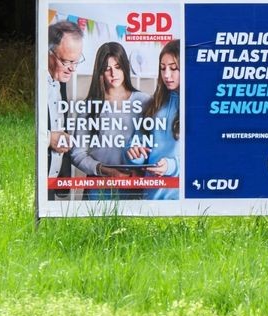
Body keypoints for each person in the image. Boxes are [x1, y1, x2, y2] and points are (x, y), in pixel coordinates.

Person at [68, 42, 151, 199]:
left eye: (118, 67)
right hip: (99, 186)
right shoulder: (89, 106)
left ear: (125, 67)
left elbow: (155, 145)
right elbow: (77, 154)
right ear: (100, 72)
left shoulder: (145, 102)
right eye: (107, 69)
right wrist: (105, 170)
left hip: (134, 184)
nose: (113, 73)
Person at [126, 40, 181, 200]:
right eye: (163, 68)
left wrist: (171, 166)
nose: (166, 75)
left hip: (181, 199)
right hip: (151, 197)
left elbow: (205, 159)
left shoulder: (200, 107)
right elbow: (138, 145)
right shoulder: (153, 104)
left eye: (173, 68)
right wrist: (134, 153)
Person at [46, 20, 84, 199]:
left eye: (76, 61)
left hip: (51, 186)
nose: (72, 69)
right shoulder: (34, 83)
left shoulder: (60, 81)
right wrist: (48, 138)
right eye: (67, 61)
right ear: (48, 53)